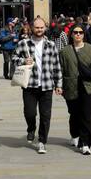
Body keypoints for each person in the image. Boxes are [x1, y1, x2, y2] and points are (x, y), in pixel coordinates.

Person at [13, 16, 63, 154]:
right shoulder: (24, 43)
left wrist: (59, 84)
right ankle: (31, 128)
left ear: (45, 28)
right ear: (31, 28)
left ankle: (42, 141)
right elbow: (13, 58)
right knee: (30, 113)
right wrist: (23, 61)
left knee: (45, 115)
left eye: (42, 27)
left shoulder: (51, 45)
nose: (39, 30)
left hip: (46, 85)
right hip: (29, 85)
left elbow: (57, 66)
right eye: (37, 27)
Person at [60, 23, 91, 155]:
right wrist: (59, 85)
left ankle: (85, 143)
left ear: (84, 34)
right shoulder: (64, 51)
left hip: (87, 86)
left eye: (80, 32)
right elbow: (60, 70)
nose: (78, 34)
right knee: (74, 113)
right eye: (75, 32)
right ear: (71, 35)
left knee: (86, 115)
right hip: (70, 86)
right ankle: (75, 134)